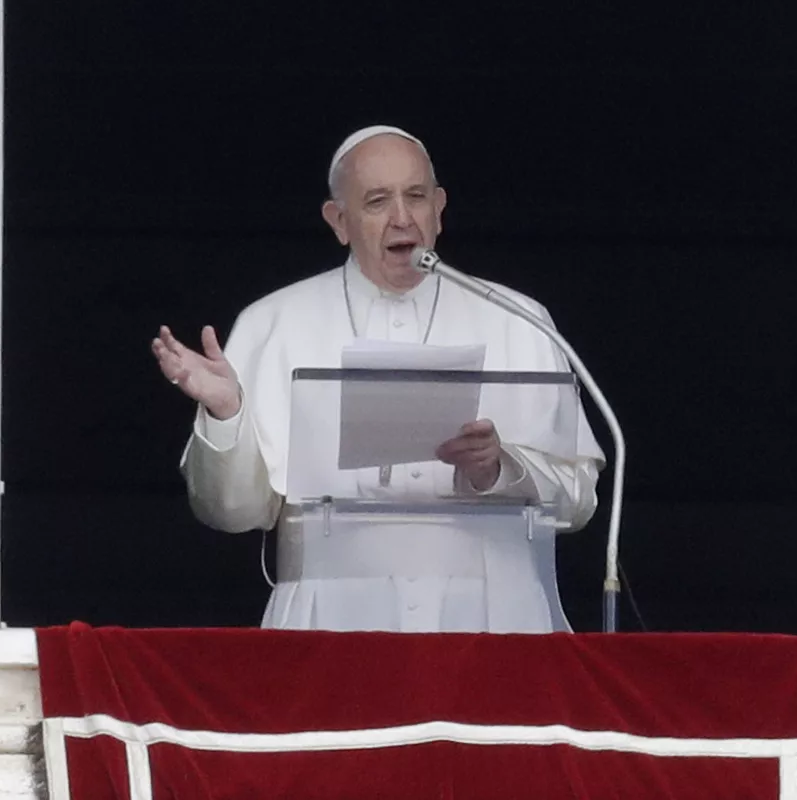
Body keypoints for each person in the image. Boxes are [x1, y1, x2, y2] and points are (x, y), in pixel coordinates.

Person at [149, 125, 604, 632]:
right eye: (377, 201)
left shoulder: (519, 319)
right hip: (330, 624)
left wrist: (499, 469)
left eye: (416, 197)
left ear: (440, 207)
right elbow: (230, 512)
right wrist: (227, 413)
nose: (402, 218)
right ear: (338, 221)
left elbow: (579, 502)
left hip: (495, 622)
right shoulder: (273, 322)